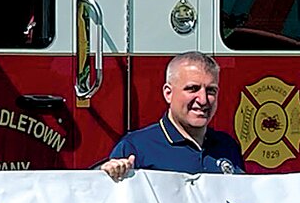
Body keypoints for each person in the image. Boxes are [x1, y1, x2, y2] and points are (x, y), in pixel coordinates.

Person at [100, 52, 245, 179]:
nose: (203, 99)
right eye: (192, 89)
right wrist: (109, 174)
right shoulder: (136, 148)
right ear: (168, 93)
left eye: (211, 91)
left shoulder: (228, 146)